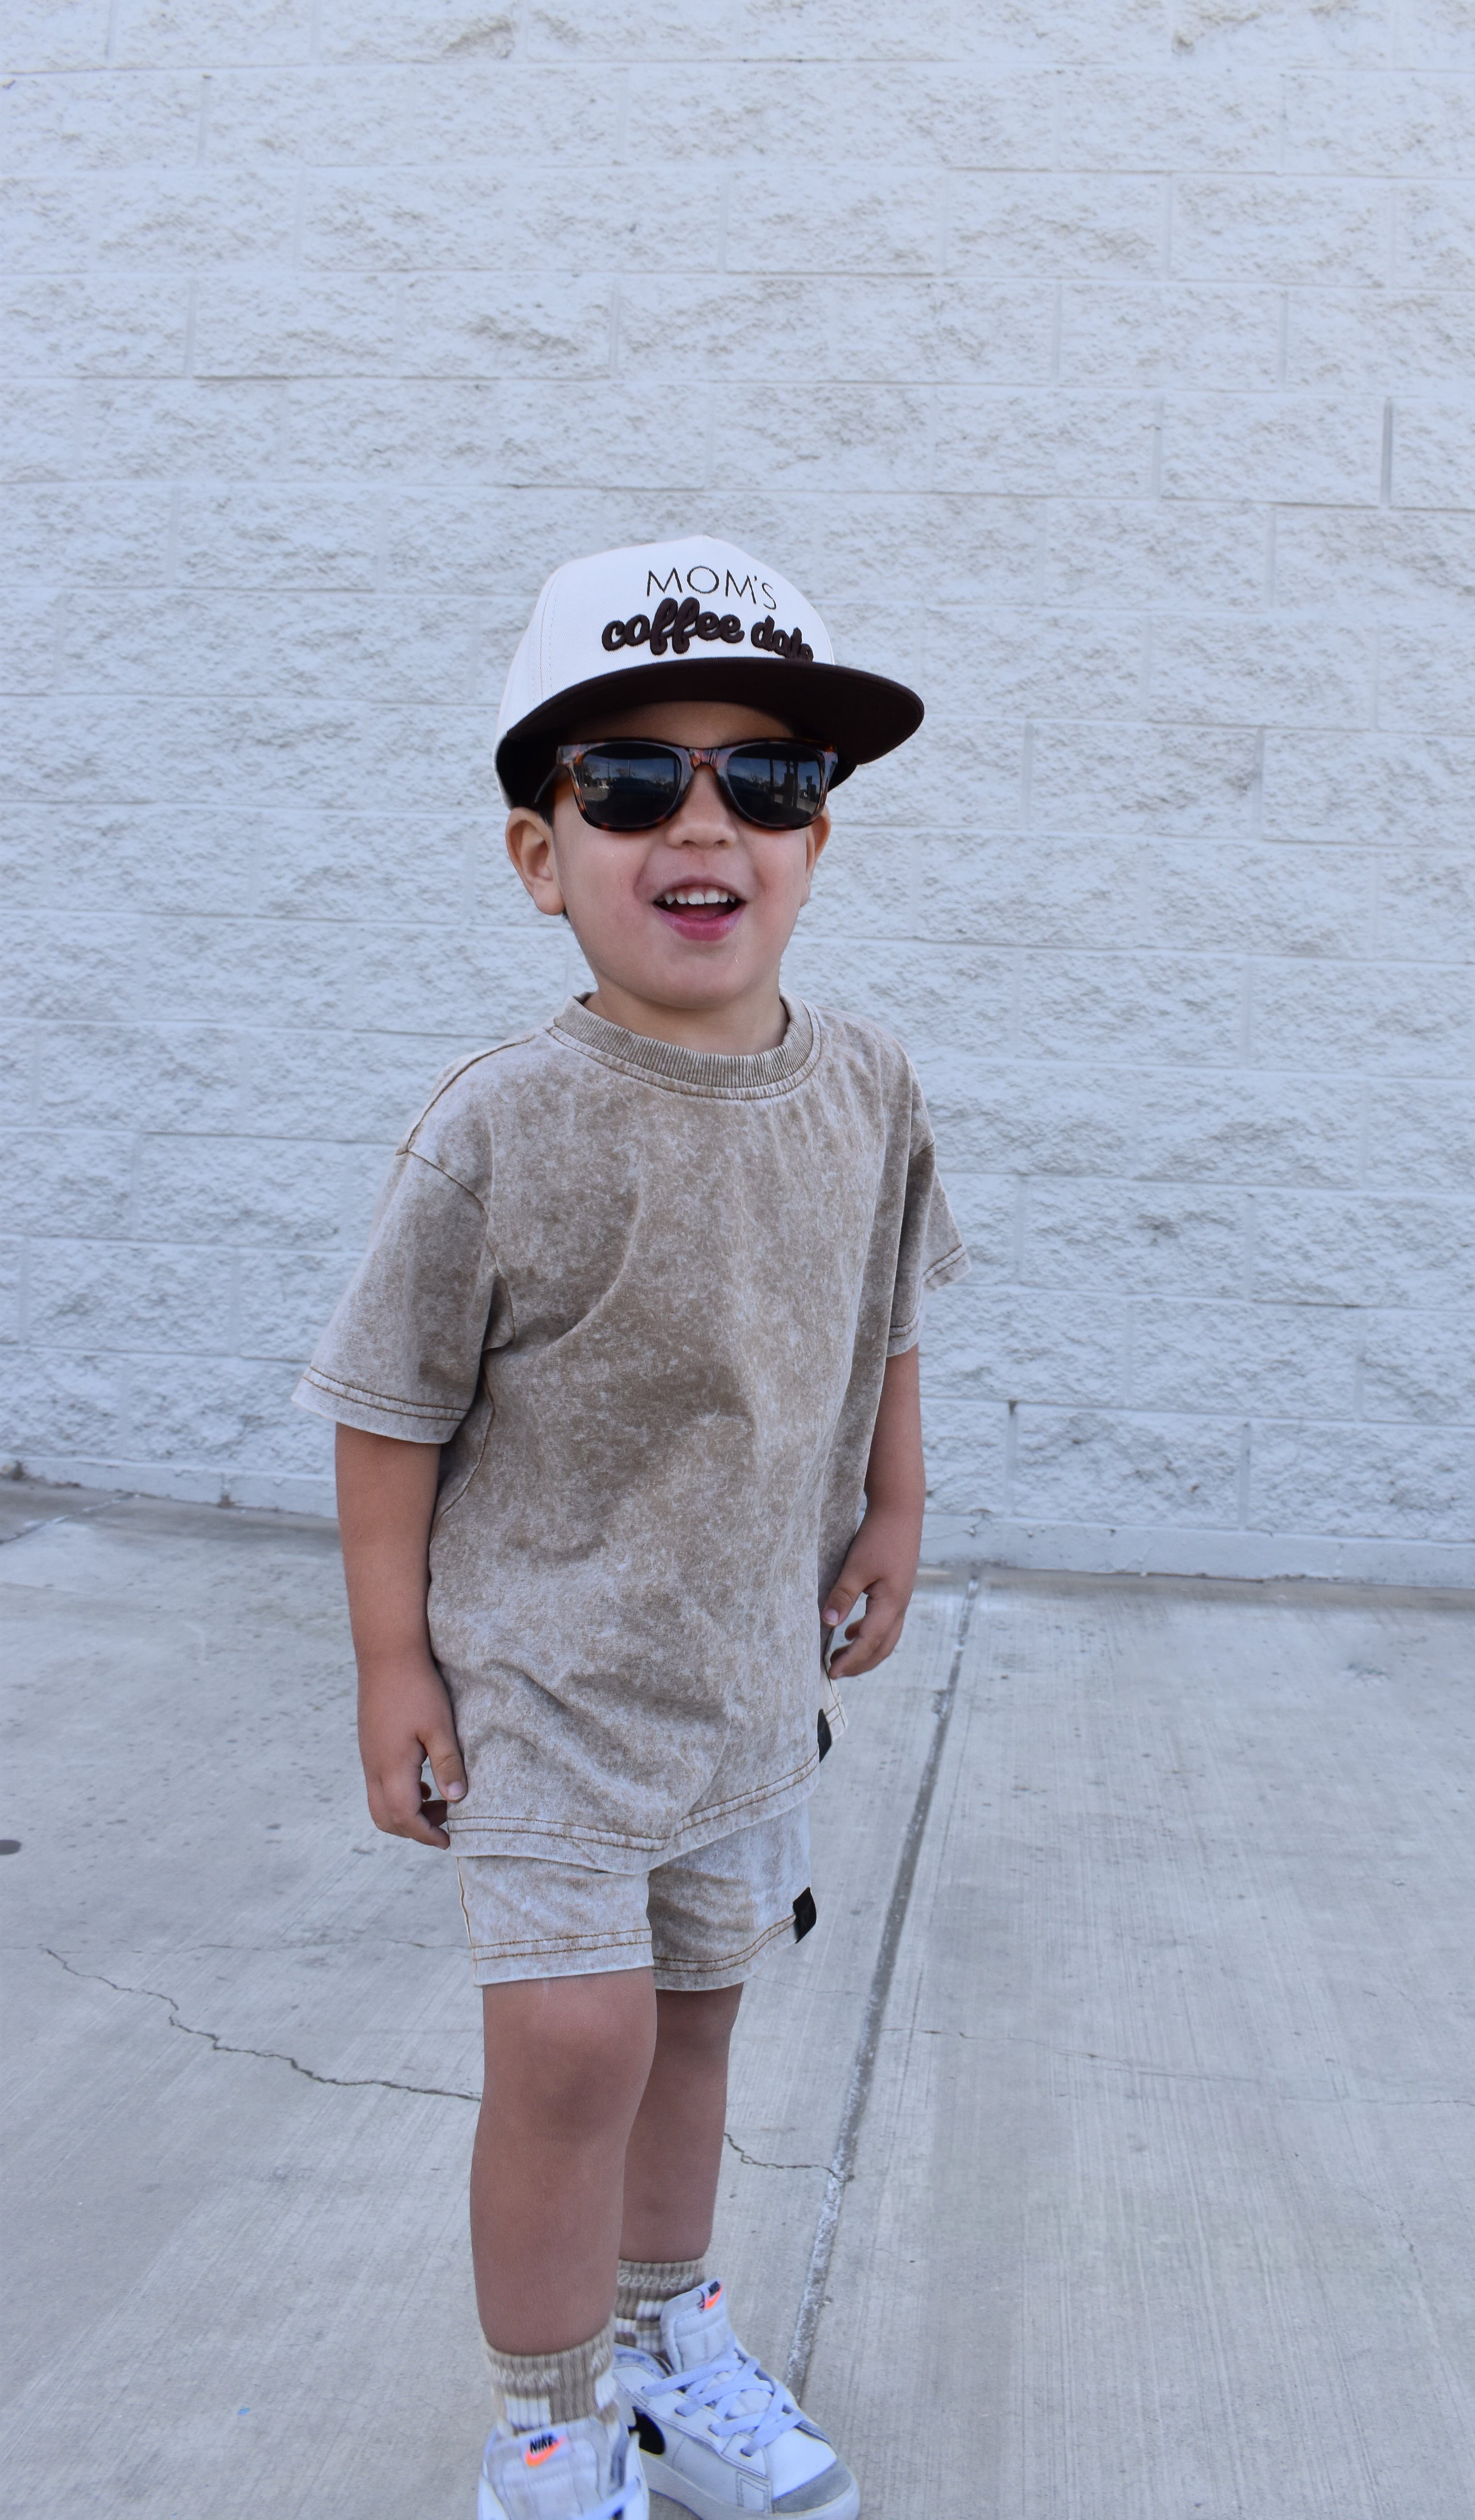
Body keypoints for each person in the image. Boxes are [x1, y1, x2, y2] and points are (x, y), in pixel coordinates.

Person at [296, 537, 966, 2520]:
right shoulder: (502, 1123)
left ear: (816, 840)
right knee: (573, 2048)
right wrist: (393, 1665)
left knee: (692, 2027)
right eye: (634, 781)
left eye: (767, 776)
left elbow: (886, 1312)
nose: (703, 821)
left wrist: (895, 1506)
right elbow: (387, 1407)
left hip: (744, 1673)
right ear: (541, 855)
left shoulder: (866, 1084)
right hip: (546, 1681)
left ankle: (671, 2342)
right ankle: (546, 2417)